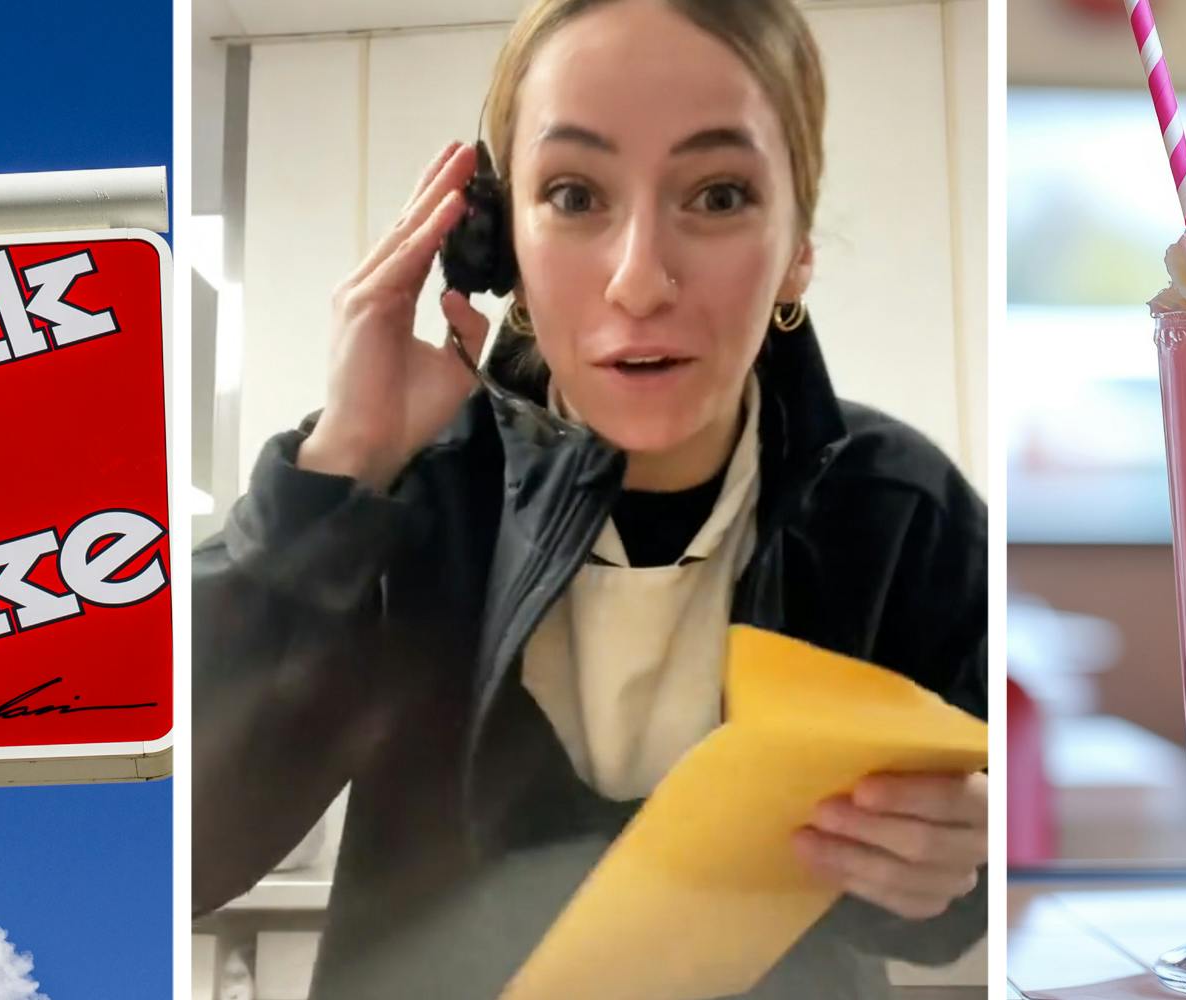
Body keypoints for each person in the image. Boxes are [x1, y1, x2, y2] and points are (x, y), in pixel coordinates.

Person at [193, 1, 988, 996]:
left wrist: (952, 868)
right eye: (573, 194)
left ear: (796, 246)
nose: (639, 279)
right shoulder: (408, 490)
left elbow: (959, 891)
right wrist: (337, 467)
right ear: (497, 248)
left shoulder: (902, 508)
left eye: (718, 193)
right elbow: (187, 847)